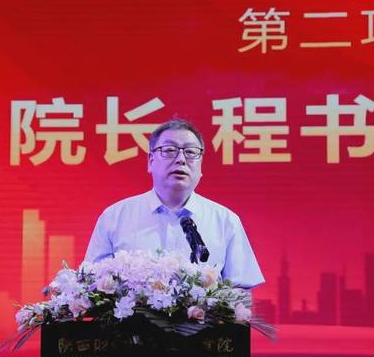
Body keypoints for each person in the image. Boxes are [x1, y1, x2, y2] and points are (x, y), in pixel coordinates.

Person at [84, 118, 264, 289]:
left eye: (191, 152)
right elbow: (91, 284)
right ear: (151, 161)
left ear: (201, 165)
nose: (181, 159)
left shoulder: (225, 220)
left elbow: (241, 291)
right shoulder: (115, 217)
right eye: (169, 150)